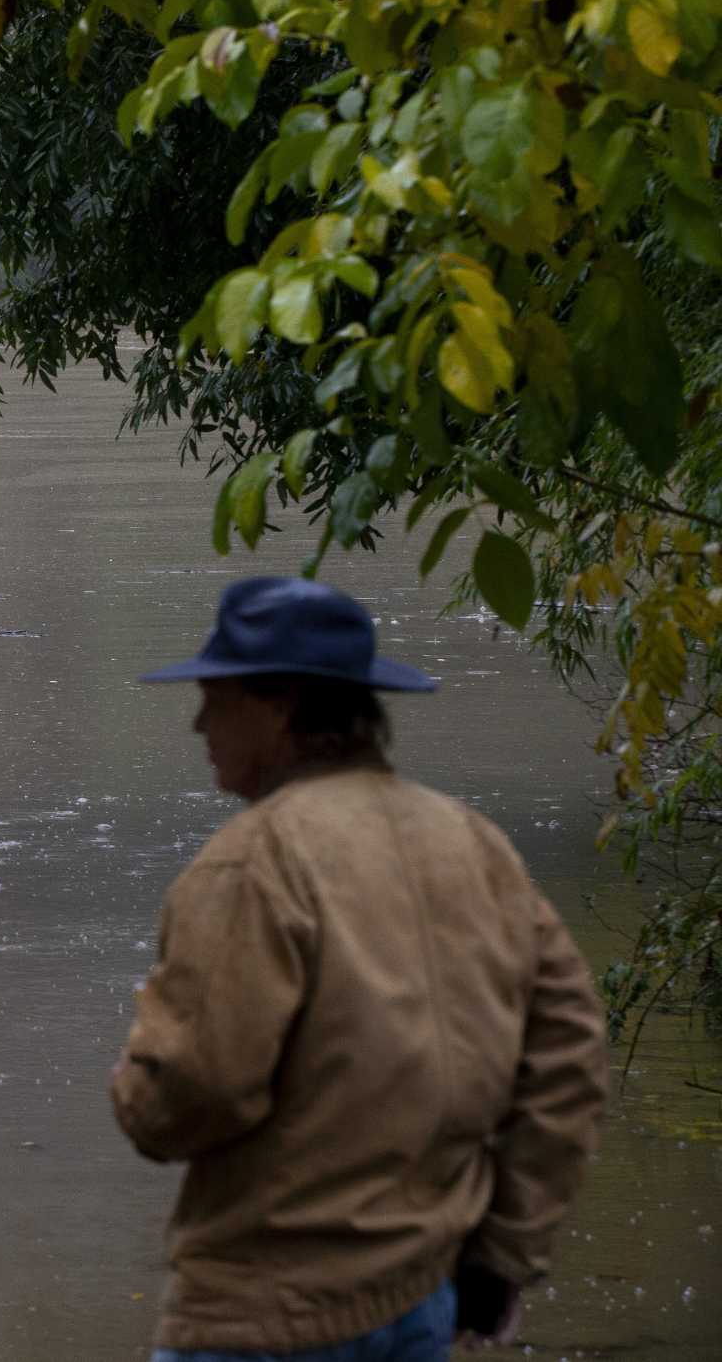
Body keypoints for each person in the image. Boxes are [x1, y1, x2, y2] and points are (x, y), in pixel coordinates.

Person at [110, 576, 609, 1361]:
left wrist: (136, 1075)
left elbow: (188, 1095)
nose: (199, 721)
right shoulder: (473, 842)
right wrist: (504, 1250)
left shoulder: (249, 864)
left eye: (217, 697)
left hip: (261, 1316)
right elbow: (571, 1052)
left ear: (281, 707)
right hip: (422, 1300)